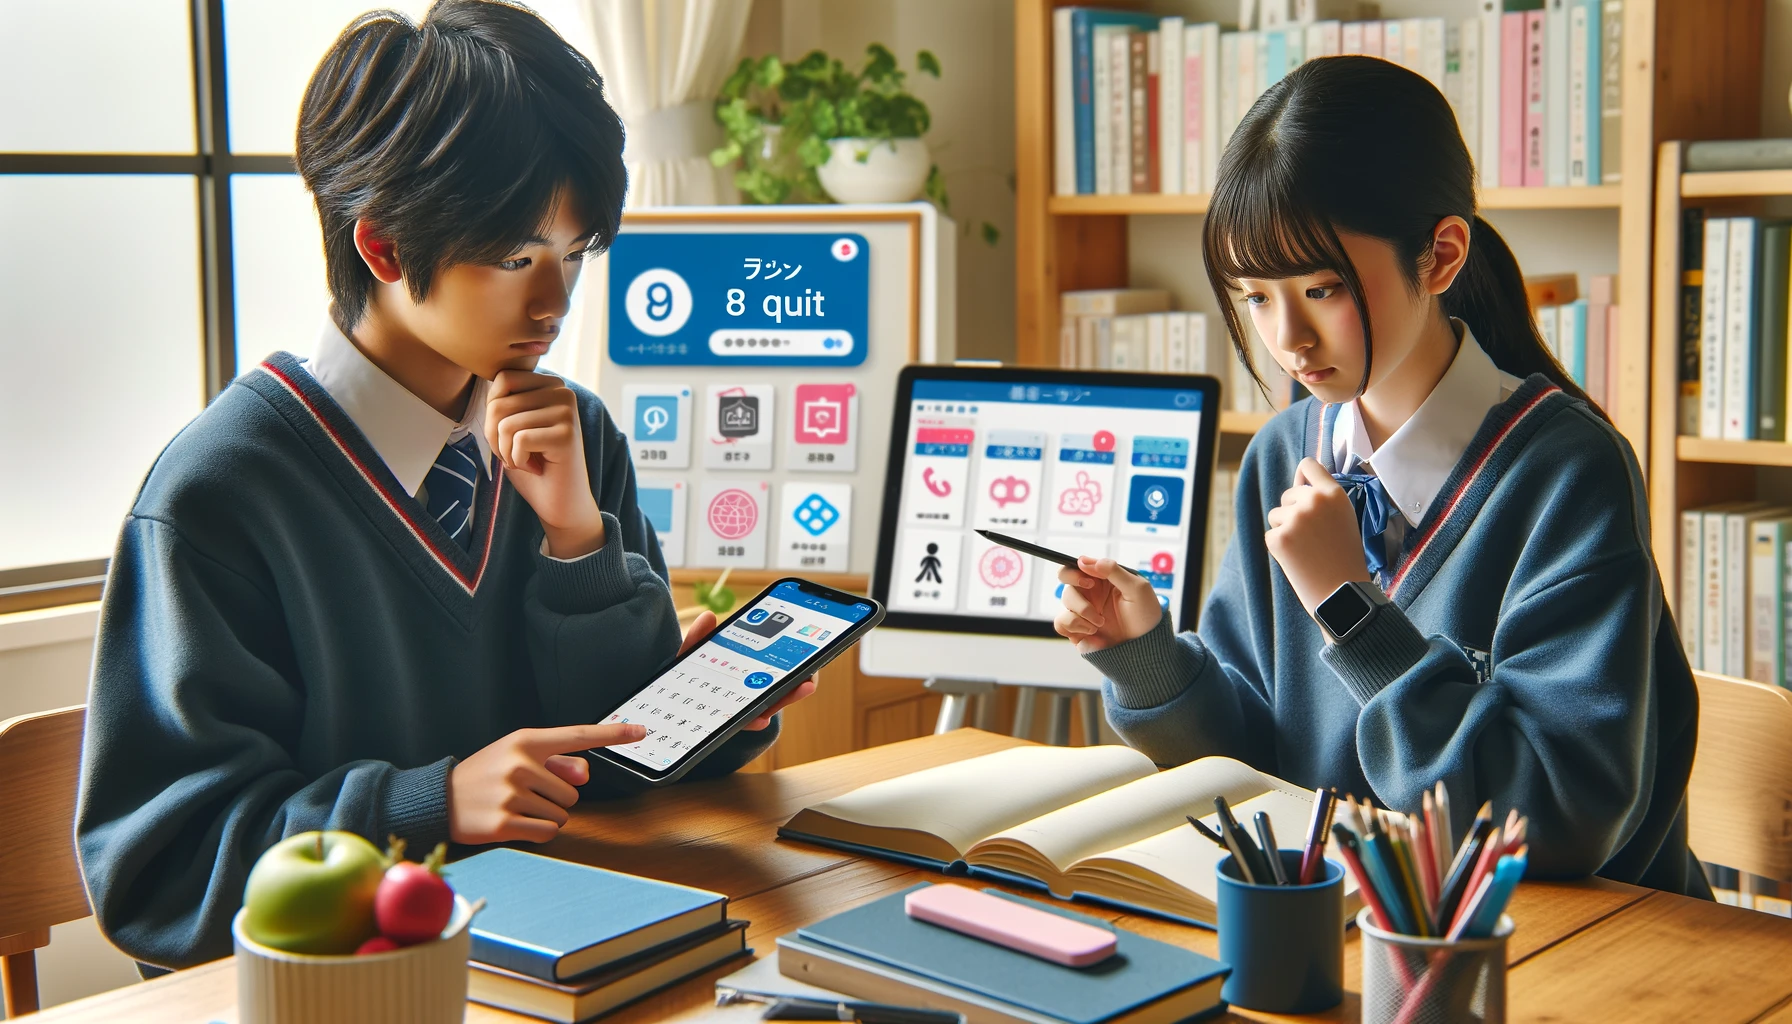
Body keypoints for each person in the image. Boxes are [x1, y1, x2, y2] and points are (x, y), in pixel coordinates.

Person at [76, 0, 813, 971]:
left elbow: (607, 774)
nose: (552, 302)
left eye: (574, 253)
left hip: (572, 956)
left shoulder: (576, 433)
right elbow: (165, 871)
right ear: (382, 246)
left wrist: (677, 677)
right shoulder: (221, 490)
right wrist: (432, 804)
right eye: (514, 258)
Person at [1054, 56, 1708, 898]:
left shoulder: (1568, 471)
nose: (1288, 338)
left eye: (1321, 288)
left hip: (1555, 949)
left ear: (1440, 257)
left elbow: (1555, 821)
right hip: (1346, 925)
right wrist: (1148, 657)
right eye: (1255, 297)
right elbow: (1260, 765)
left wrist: (1349, 608)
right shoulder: (1283, 456)